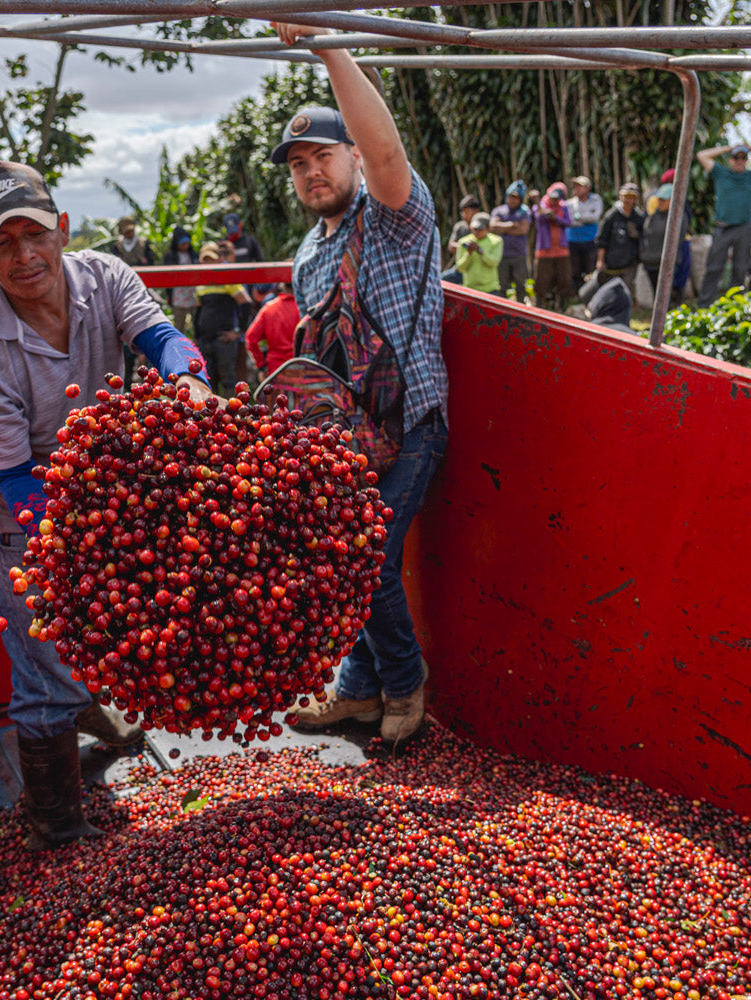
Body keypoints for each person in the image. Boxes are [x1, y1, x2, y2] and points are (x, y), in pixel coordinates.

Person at [0, 160, 214, 849]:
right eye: (3, 243)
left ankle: (86, 707)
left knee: (89, 632)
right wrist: (114, 542)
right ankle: (54, 821)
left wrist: (188, 382)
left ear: (63, 230)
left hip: (98, 489)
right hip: (18, 514)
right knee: (42, 659)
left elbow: (161, 338)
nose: (24, 256)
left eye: (36, 234)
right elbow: (21, 483)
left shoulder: (106, 276)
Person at [268, 19, 447, 747]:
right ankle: (357, 689)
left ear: (352, 158)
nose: (313, 172)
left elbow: (389, 151)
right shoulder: (308, 255)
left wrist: (326, 44)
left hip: (411, 427)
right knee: (334, 560)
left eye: (325, 156)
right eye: (298, 164)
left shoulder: (399, 215)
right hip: (348, 436)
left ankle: (403, 685)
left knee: (362, 561)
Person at [696, 143, 751, 308]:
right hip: (723, 227)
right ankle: (704, 306)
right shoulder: (721, 172)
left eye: (743, 157)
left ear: (747, 160)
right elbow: (702, 155)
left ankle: (734, 305)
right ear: (731, 159)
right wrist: (728, 148)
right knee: (714, 267)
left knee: (740, 269)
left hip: (744, 227)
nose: (740, 161)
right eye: (736, 157)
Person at [193, 241, 251, 395]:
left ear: (219, 259)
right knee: (206, 381)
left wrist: (237, 332)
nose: (208, 263)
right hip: (205, 340)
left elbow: (245, 303)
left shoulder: (228, 278)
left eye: (211, 259)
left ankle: (232, 415)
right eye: (205, 259)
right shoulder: (200, 282)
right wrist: (196, 337)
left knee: (228, 381)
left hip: (223, 339)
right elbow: (198, 311)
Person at [640, 182, 691, 300]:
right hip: (651, 263)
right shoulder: (652, 216)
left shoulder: (679, 217)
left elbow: (677, 241)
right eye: (659, 199)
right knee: (657, 296)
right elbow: (645, 236)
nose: (660, 202)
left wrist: (666, 258)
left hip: (667, 264)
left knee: (669, 295)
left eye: (664, 199)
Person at [244, 281, 300, 377]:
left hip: (276, 371)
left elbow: (251, 338)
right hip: (302, 368)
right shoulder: (305, 308)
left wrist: (261, 366)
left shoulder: (269, 308)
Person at [534, 182, 574, 311]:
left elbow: (568, 222)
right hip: (544, 250)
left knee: (564, 279)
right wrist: (536, 201)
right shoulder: (541, 205)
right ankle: (539, 305)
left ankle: (560, 306)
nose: (554, 200)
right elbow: (539, 217)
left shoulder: (563, 207)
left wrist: (555, 218)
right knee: (542, 279)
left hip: (561, 250)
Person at [490, 180, 532, 302]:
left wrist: (502, 228)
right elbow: (492, 227)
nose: (512, 200)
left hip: (518, 255)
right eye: (510, 197)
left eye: (516, 198)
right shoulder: (499, 210)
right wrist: (511, 225)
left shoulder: (524, 212)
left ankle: (520, 309)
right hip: (501, 255)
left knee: (520, 285)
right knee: (502, 285)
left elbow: (523, 230)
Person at [595, 182, 644, 282]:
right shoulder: (611, 216)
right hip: (612, 263)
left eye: (631, 197)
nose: (627, 200)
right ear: (620, 196)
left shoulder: (638, 217)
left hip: (630, 262)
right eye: (625, 196)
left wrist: (637, 235)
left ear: (635, 199)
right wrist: (600, 260)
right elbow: (602, 239)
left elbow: (644, 238)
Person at [565, 175, 604, 289]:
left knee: (590, 269)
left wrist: (577, 218)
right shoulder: (569, 204)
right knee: (575, 270)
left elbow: (595, 217)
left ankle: (590, 292)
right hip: (573, 241)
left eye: (579, 186)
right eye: (575, 186)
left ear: (587, 188)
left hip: (590, 240)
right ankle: (577, 294)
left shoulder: (596, 200)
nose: (576, 188)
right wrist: (586, 218)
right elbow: (569, 221)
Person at [454, 212, 503, 295]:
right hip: (469, 289)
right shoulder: (464, 242)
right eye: (475, 229)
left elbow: (494, 263)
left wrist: (480, 251)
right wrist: (468, 254)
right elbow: (460, 268)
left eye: (480, 229)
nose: (477, 232)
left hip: (490, 289)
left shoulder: (496, 241)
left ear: (488, 228)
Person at [162, 226, 199, 333]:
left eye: (187, 243)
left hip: (193, 294)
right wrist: (169, 295)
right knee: (179, 325)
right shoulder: (170, 256)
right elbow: (167, 277)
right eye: (182, 244)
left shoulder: (193, 254)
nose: (185, 246)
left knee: (197, 323)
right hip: (178, 296)